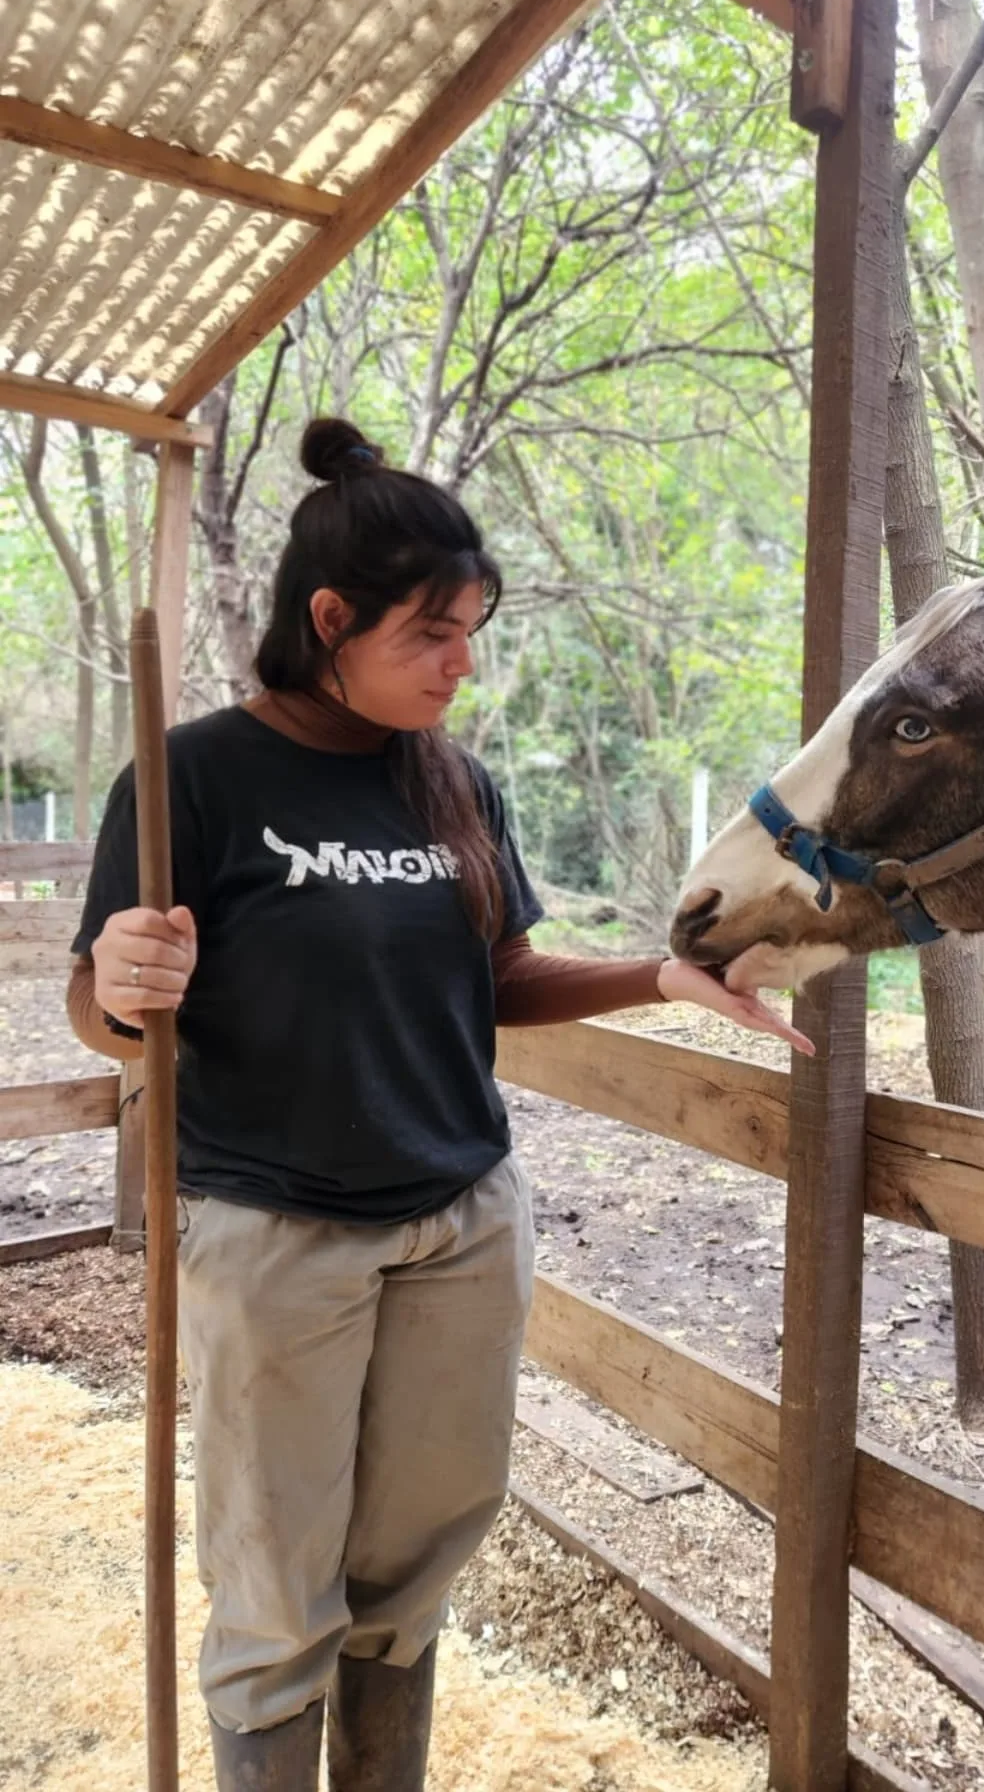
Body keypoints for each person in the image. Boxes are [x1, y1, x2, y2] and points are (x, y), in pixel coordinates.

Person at [67, 417, 808, 1792]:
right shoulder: (190, 781)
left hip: (459, 1223)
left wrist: (659, 977)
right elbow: (102, 1013)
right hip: (273, 1233)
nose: (464, 665)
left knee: (415, 1558)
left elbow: (501, 973)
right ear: (330, 618)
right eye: (434, 634)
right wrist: (119, 980)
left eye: (474, 631)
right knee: (280, 1569)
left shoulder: (454, 781)